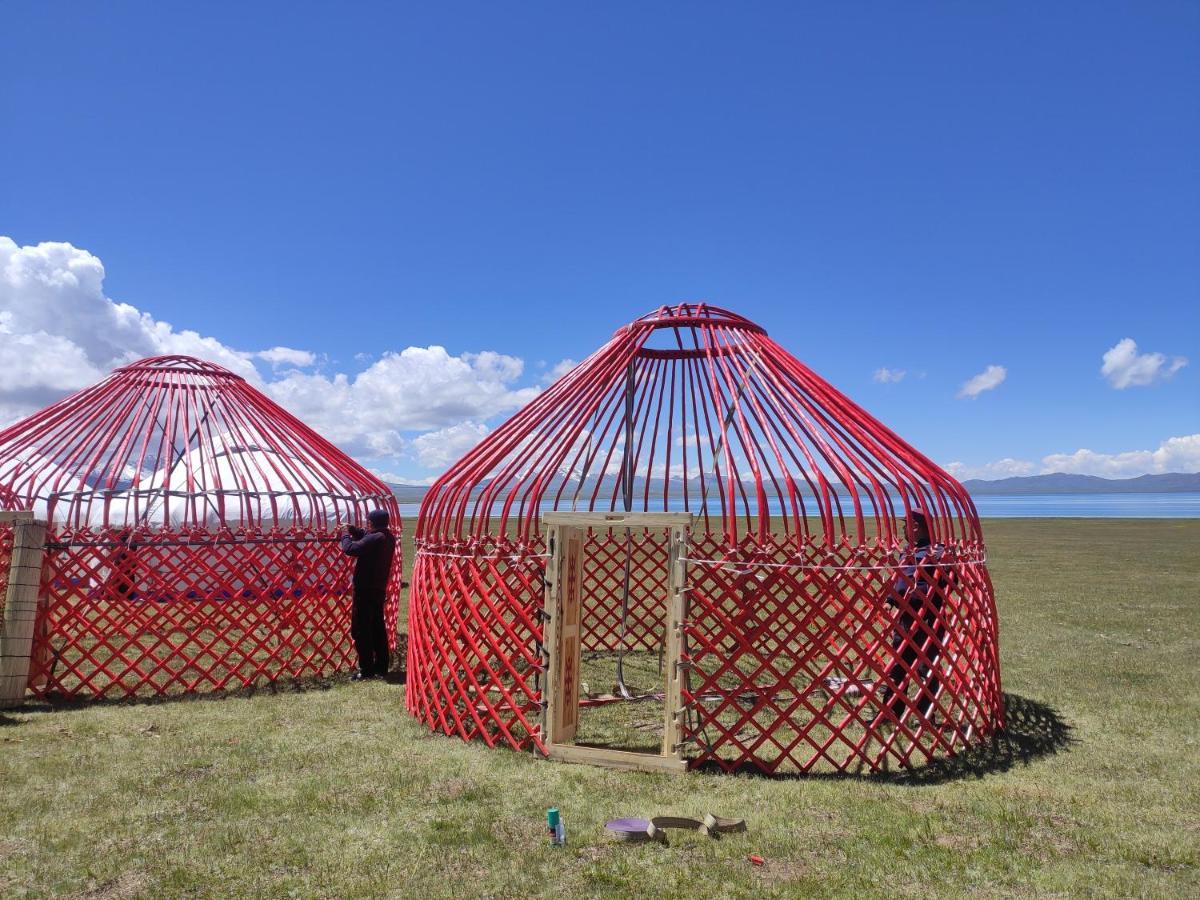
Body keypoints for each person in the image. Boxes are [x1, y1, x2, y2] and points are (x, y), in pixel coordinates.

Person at [877, 508, 948, 727]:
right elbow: (900, 578)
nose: (903, 530)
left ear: (915, 527)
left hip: (927, 619)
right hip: (905, 618)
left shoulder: (938, 553)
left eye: (905, 525)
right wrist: (890, 600)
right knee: (898, 666)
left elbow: (948, 582)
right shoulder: (907, 550)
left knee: (927, 669)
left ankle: (925, 717)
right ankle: (891, 713)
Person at [339, 509, 396, 680]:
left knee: (360, 629)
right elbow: (365, 536)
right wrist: (354, 529)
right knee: (377, 627)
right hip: (378, 588)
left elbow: (350, 549)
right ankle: (381, 666)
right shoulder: (387, 537)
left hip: (365, 590)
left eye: (368, 522)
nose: (366, 524)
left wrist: (345, 535)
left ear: (371, 522)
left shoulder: (375, 538)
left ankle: (366, 670)